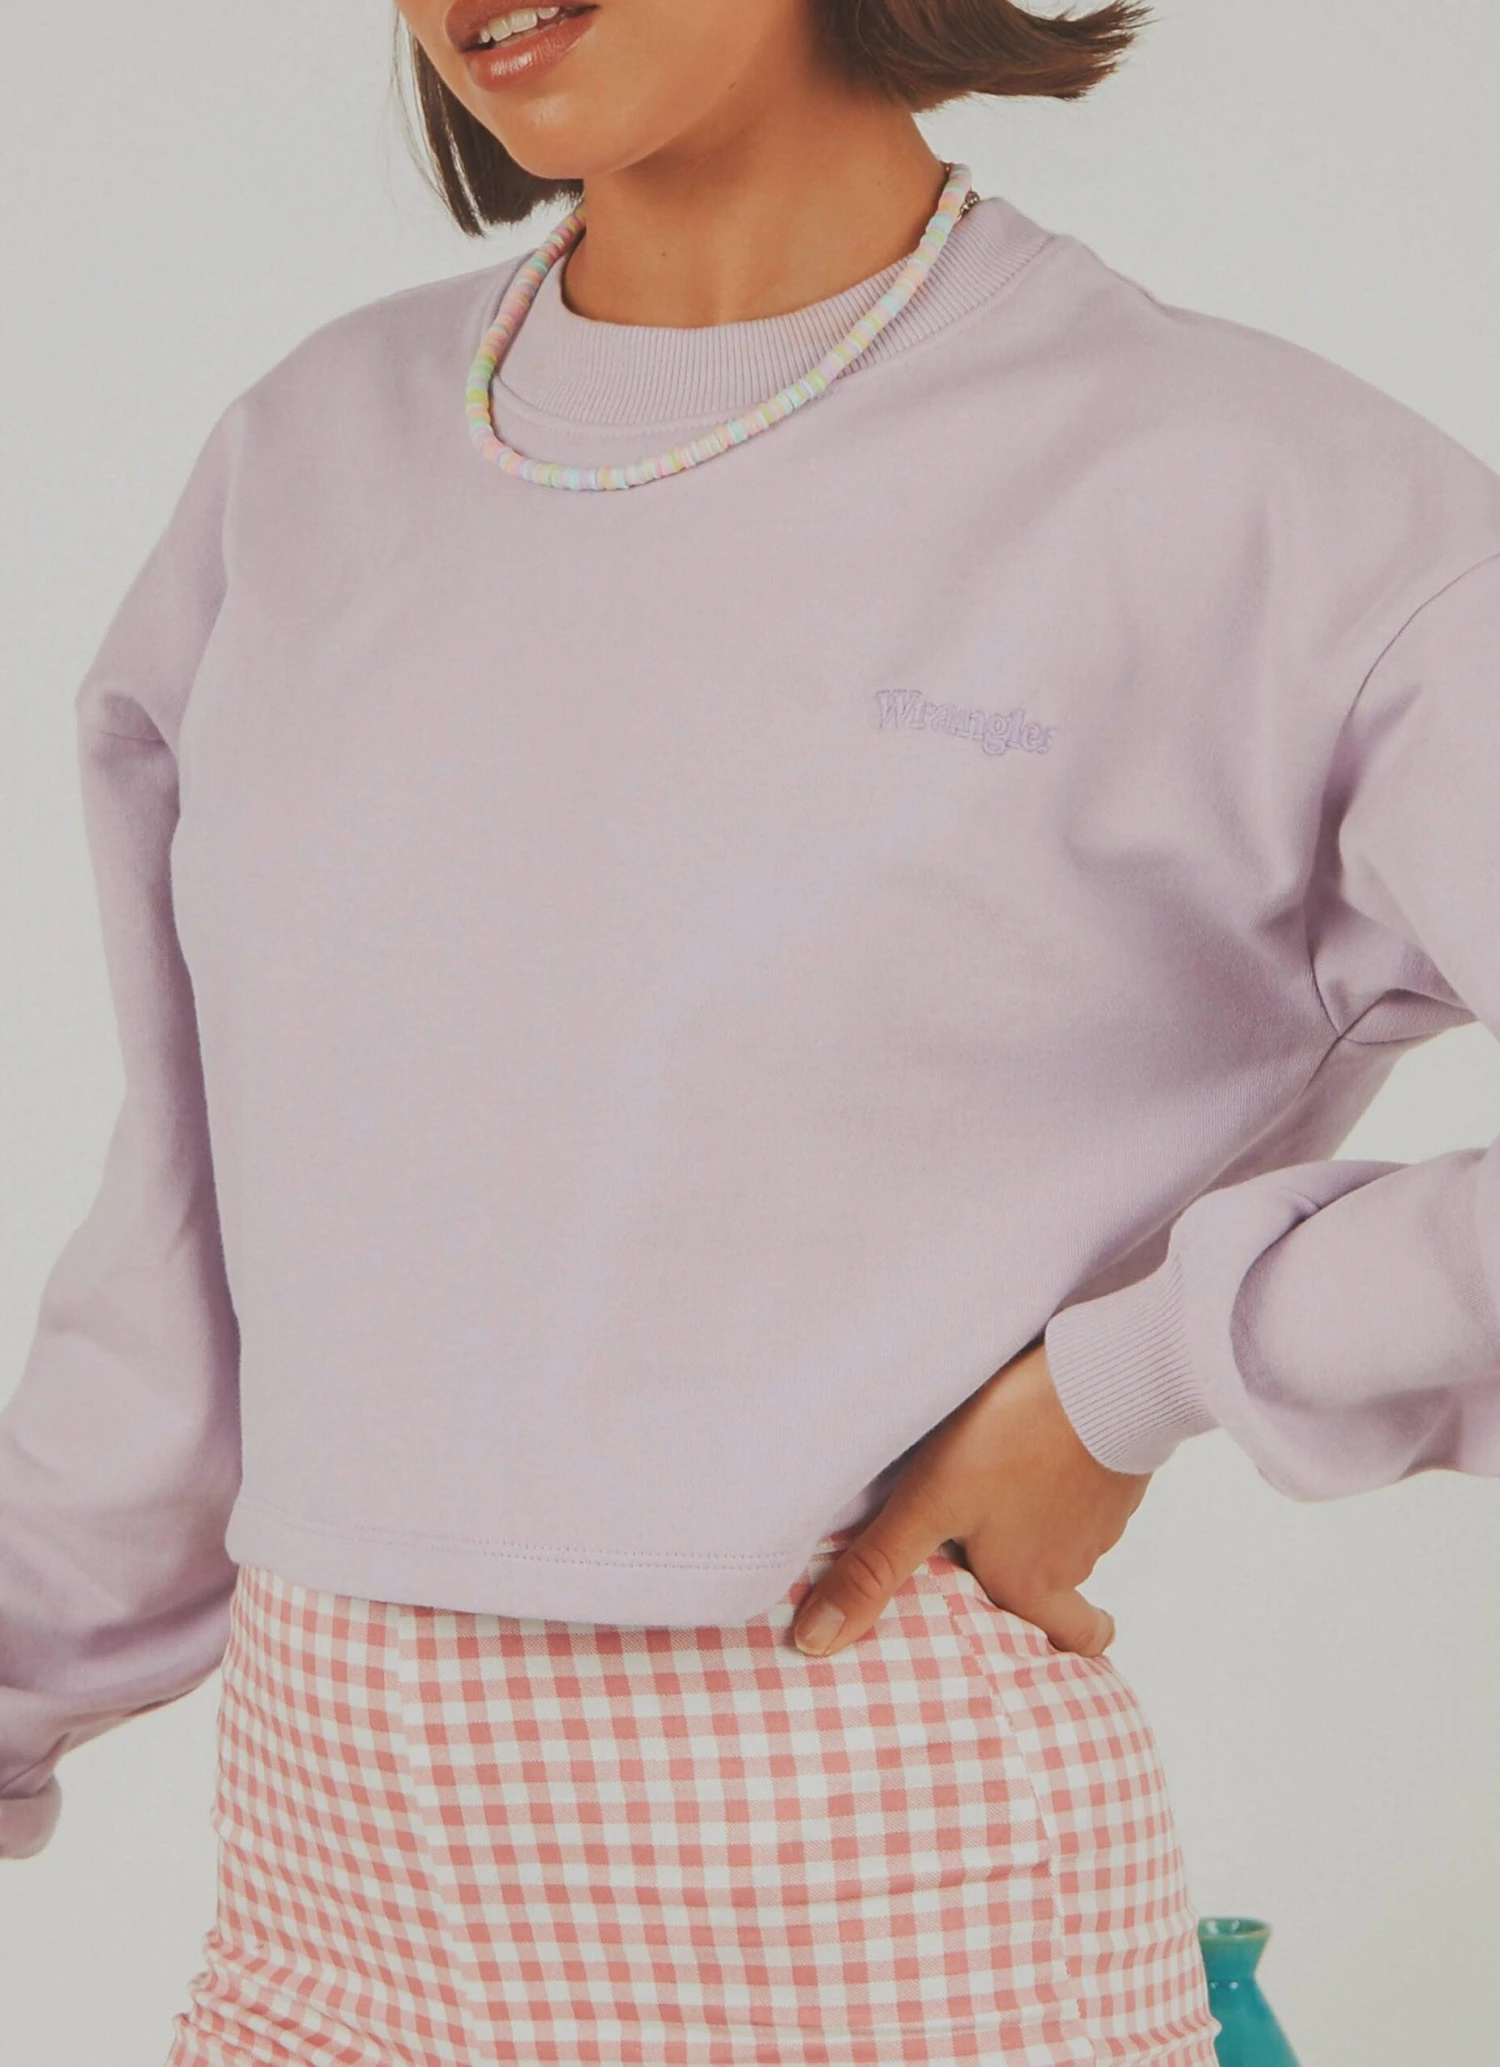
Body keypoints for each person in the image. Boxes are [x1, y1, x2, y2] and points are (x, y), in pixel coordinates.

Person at [4, 0, 1500, 2058]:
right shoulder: (303, 460)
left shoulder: (1270, 502)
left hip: (869, 1883)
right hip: (320, 1893)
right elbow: (193, 1239)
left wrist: (1151, 1365)